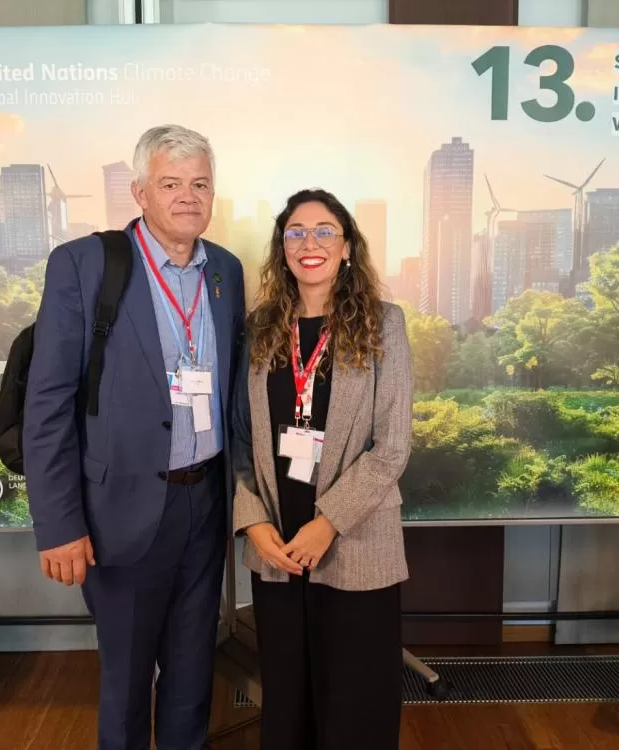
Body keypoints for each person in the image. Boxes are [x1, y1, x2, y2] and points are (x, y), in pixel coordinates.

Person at [23, 124, 246, 750]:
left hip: (206, 501)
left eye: (200, 184)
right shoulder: (86, 264)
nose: (188, 196)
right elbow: (48, 403)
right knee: (126, 680)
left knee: (193, 670)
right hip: (119, 508)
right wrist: (58, 524)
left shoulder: (226, 271)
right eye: (170, 184)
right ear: (140, 192)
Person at [232, 188, 413, 750]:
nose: (309, 242)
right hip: (278, 544)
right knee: (287, 699)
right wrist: (253, 522)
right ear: (282, 247)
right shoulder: (259, 327)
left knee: (355, 701)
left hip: (354, 539)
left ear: (348, 246)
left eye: (324, 231)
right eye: (296, 232)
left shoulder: (383, 323)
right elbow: (240, 438)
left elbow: (392, 445)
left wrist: (327, 522)